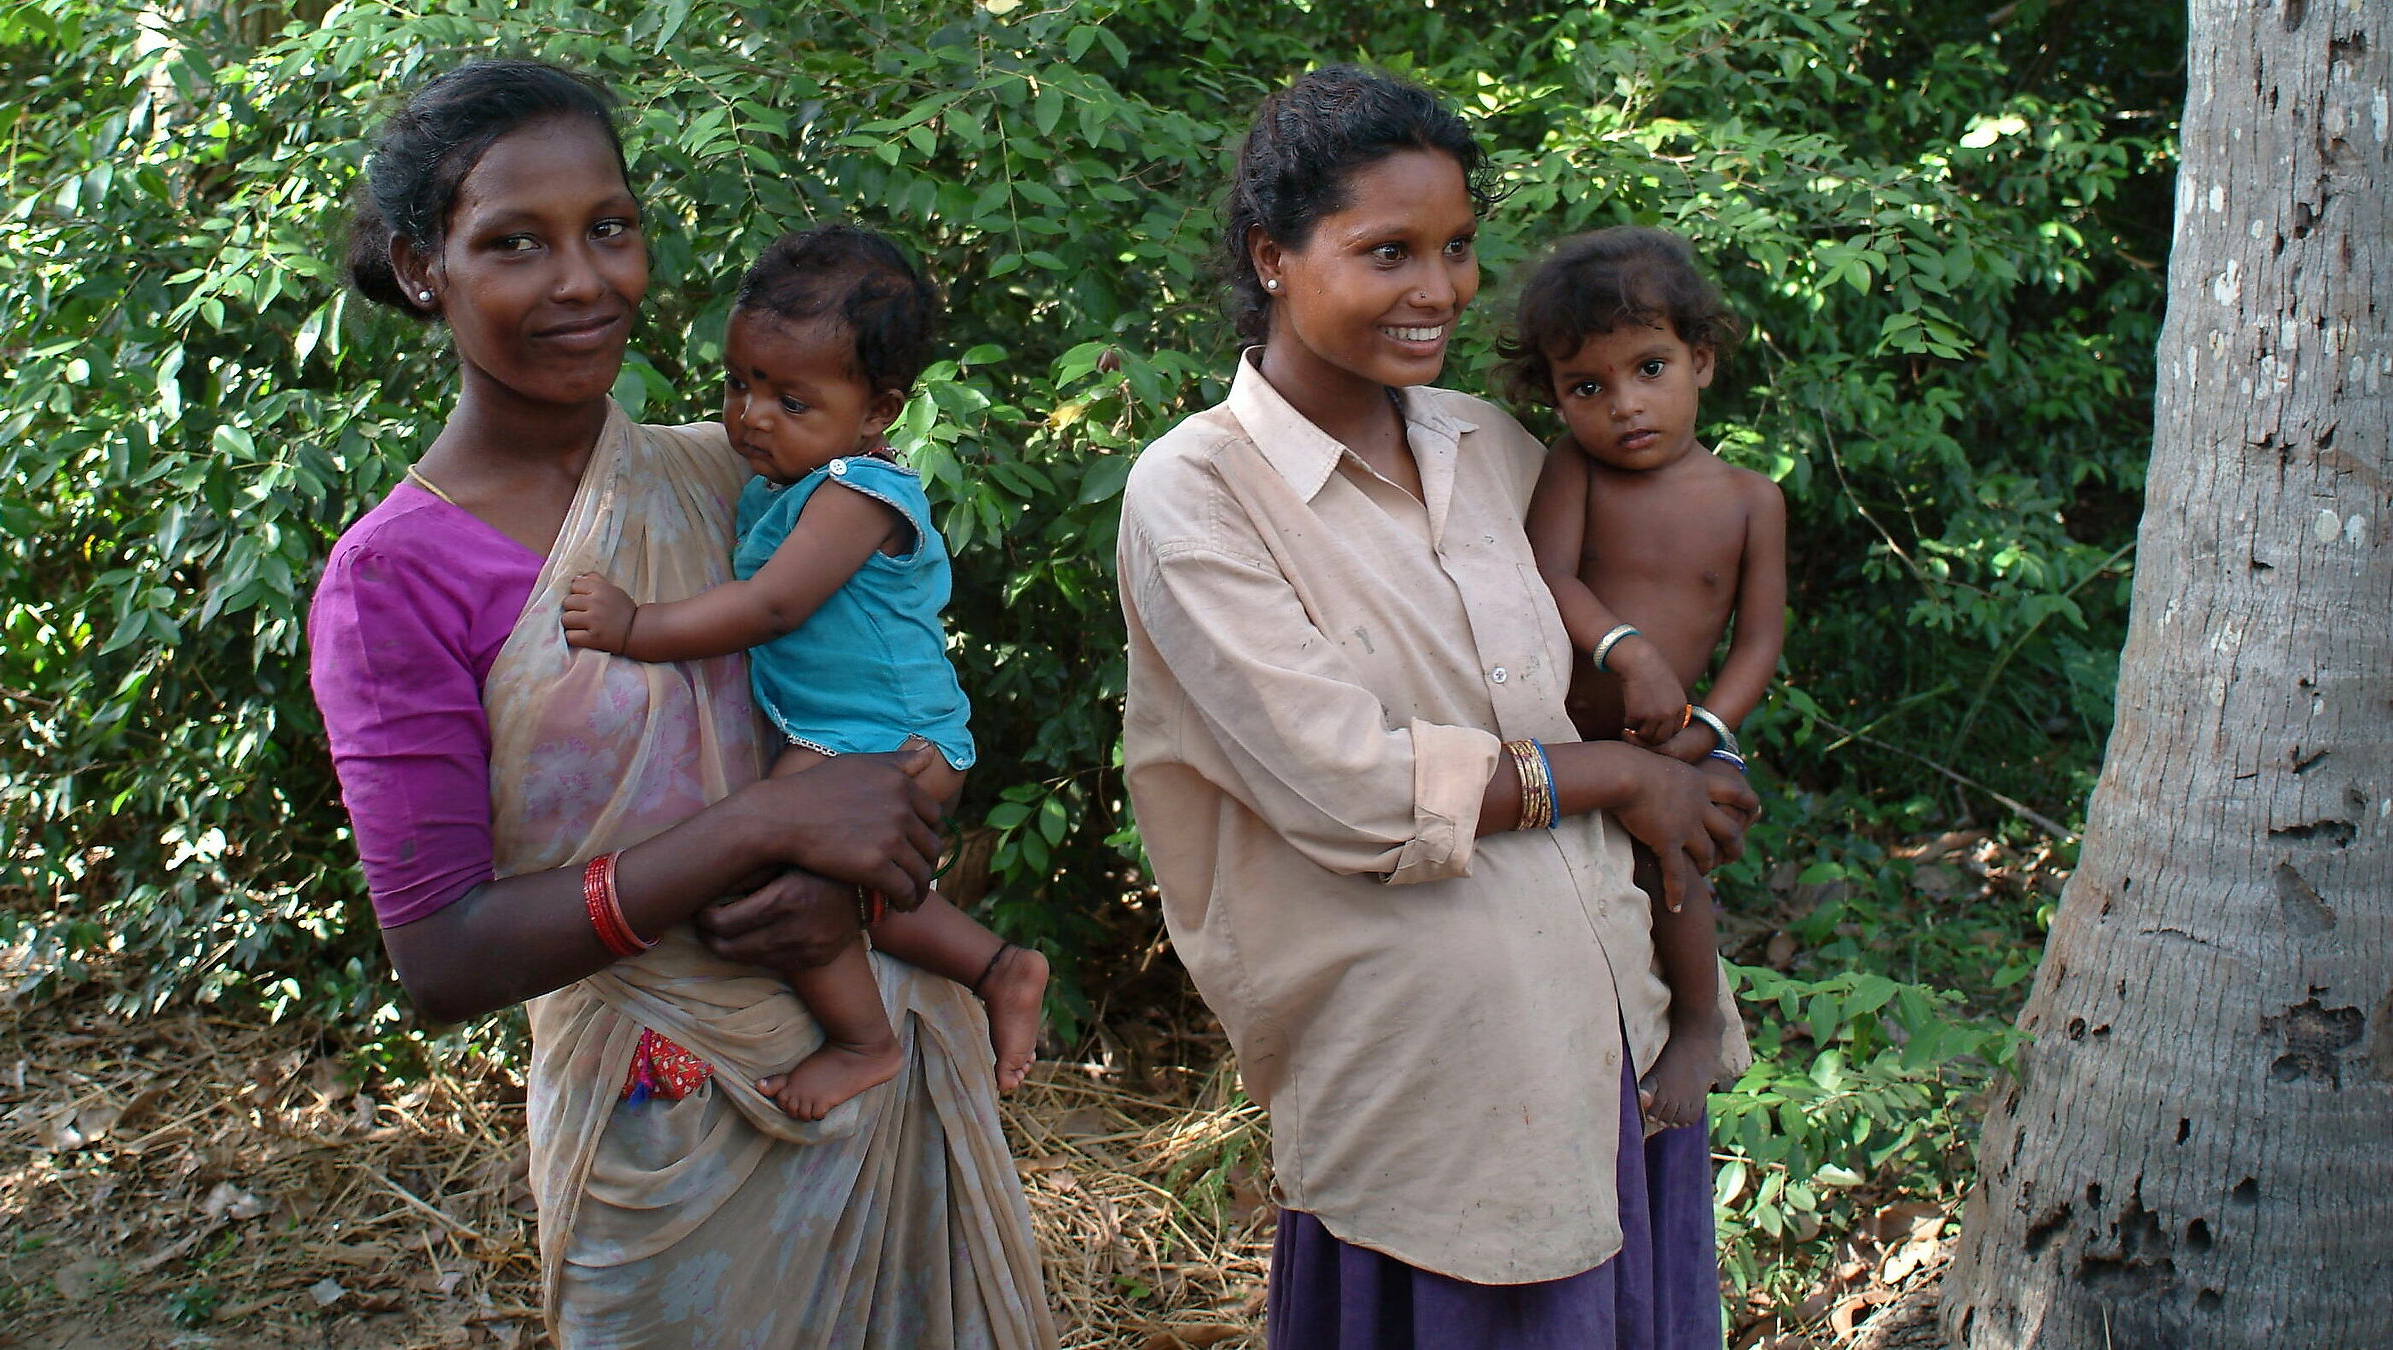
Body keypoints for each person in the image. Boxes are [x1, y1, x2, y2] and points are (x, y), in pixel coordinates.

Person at [306, 59, 1055, 1347]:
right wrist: (759, 831)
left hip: (881, 1076)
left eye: (609, 228)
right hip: (655, 1136)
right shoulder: (393, 581)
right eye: (516, 243)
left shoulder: (745, 479)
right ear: (425, 269)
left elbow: (889, 715)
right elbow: (443, 958)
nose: (583, 280)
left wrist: (845, 879)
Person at [1117, 65, 1756, 1350]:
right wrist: (1625, 781)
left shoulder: (1495, 447)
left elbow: (1615, 676)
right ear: (1273, 256)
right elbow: (1354, 790)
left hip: (1611, 1043)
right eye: (1388, 251)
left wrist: (1694, 757)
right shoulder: (1199, 495)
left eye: (1457, 247)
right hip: (1432, 1102)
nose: (1440, 288)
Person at [561, 225, 1048, 1121]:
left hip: (886, 738)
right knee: (863, 896)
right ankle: (1000, 967)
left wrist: (636, 628)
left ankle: (864, 1043)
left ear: (877, 414)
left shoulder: (857, 494)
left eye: (791, 400)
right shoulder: (781, 483)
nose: (751, 416)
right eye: (738, 384)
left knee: (769, 878)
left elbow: (773, 607)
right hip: (849, 733)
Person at [1511, 227, 1787, 1130]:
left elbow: (1758, 644)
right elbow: (1550, 577)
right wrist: (1629, 652)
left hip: (1688, 737)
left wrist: (1704, 734)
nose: (1624, 405)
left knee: (1675, 859)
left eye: (1650, 369)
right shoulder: (1575, 470)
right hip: (1571, 736)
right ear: (1555, 396)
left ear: (1701, 360)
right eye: (1586, 388)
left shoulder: (1750, 500)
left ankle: (1701, 1023)